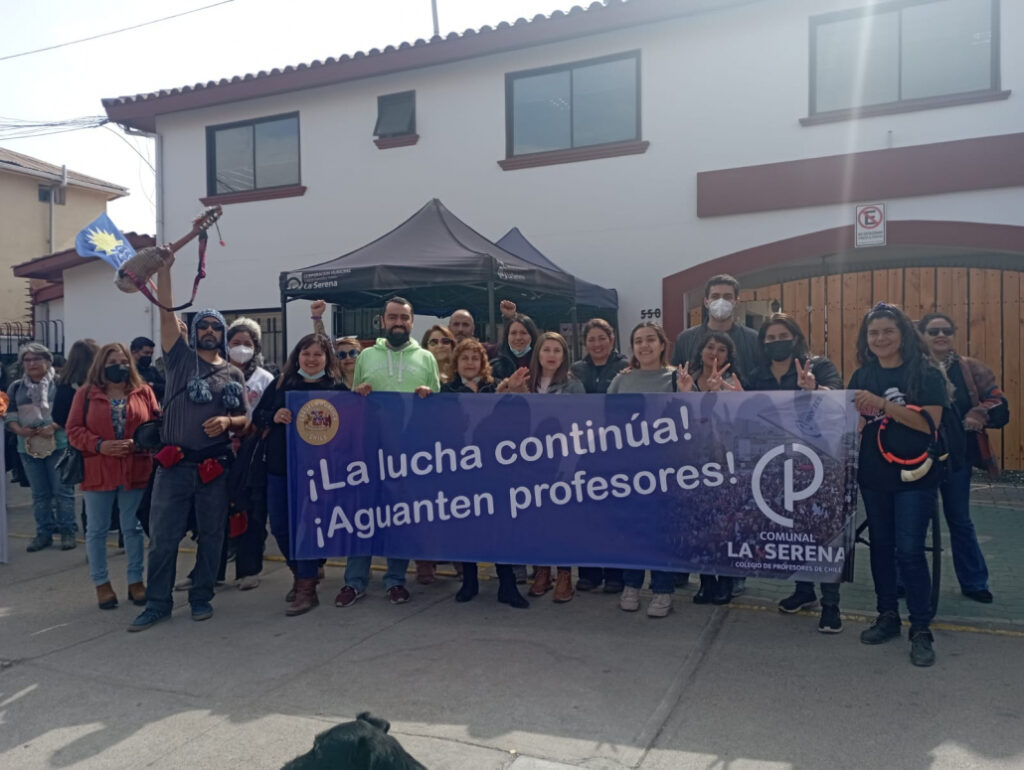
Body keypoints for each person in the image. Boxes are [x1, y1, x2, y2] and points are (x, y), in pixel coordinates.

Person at [128, 247, 248, 632]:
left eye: (216, 326)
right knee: (164, 539)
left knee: (212, 536)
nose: (209, 330)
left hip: (214, 467)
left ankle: (201, 596)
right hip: (174, 467)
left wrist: (228, 420)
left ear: (223, 334)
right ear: (194, 331)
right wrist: (165, 271)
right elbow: (166, 314)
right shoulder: (179, 359)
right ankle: (157, 604)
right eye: (203, 325)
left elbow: (244, 420)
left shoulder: (234, 373)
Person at [849, 302, 948, 667]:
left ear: (903, 334)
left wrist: (882, 405)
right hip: (874, 474)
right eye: (873, 333)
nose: (880, 338)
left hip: (915, 475)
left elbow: (929, 424)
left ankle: (920, 628)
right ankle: (887, 615)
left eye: (888, 331)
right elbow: (852, 421)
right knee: (881, 547)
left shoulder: (926, 372)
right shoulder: (862, 375)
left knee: (909, 550)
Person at [335, 296, 440, 609]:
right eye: (392, 317)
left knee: (399, 519)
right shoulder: (367, 356)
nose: (398, 323)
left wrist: (429, 396)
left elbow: (438, 406)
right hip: (369, 451)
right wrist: (359, 392)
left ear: (412, 322)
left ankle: (395, 580)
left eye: (404, 318)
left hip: (408, 453)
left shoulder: (426, 358)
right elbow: (356, 401)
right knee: (363, 516)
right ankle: (354, 581)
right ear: (382, 321)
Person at [746, 313, 845, 632]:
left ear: (796, 338)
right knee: (792, 529)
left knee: (823, 530)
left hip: (820, 459)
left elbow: (839, 400)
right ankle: (804, 591)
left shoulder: (819, 366)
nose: (777, 342)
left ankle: (831, 604)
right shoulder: (757, 375)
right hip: (776, 463)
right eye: (770, 338)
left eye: (783, 336)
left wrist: (816, 389)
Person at [254, 333, 345, 615]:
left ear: (327, 359)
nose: (312, 359)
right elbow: (257, 416)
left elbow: (351, 425)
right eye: (306, 353)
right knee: (280, 527)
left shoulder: (336, 388)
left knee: (308, 528)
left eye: (318, 354)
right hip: (280, 467)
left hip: (319, 473)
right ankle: (302, 572)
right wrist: (274, 416)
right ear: (297, 356)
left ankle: (306, 588)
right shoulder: (281, 384)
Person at [65, 342, 160, 610]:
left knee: (133, 528)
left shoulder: (144, 391)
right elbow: (73, 429)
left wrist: (139, 443)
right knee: (97, 529)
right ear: (101, 365)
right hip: (99, 469)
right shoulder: (85, 394)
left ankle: (135, 580)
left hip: (135, 467)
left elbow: (156, 425)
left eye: (123, 361)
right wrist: (99, 445)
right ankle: (101, 583)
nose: (119, 366)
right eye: (112, 362)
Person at [607, 322, 688, 617]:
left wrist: (687, 393)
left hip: (666, 469)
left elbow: (692, 420)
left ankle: (663, 590)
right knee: (632, 529)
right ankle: (631, 585)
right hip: (629, 469)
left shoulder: (678, 377)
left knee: (661, 531)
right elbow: (606, 422)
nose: (644, 345)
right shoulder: (622, 380)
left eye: (650, 339)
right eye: (638, 341)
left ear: (662, 344)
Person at [441, 338, 529, 608]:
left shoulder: (495, 389)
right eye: (464, 358)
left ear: (483, 363)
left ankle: (507, 585)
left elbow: (515, 419)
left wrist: (514, 391)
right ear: (456, 363)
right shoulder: (446, 391)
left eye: (475, 358)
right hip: (460, 470)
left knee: (500, 528)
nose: (470, 363)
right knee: (465, 529)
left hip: (494, 470)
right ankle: (469, 582)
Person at [918, 312, 999, 604]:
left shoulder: (972, 369)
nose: (941, 335)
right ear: (922, 336)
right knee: (915, 521)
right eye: (933, 331)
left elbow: (998, 402)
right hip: (918, 457)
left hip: (957, 458)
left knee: (960, 520)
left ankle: (974, 582)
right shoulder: (913, 369)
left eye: (946, 330)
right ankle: (906, 580)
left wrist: (979, 413)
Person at [501, 331, 584, 602]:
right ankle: (542, 570)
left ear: (564, 356)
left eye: (557, 351)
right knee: (535, 520)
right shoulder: (525, 381)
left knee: (561, 520)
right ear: (537, 353)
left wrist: (571, 464)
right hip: (529, 461)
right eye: (546, 349)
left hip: (561, 460)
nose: (551, 355)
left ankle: (564, 574)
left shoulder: (573, 385)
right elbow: (507, 416)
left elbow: (580, 427)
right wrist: (512, 390)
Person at [677, 331, 744, 604]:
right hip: (691, 463)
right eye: (710, 347)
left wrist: (725, 397)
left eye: (721, 349)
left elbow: (740, 420)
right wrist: (685, 395)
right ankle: (705, 581)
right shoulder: (685, 379)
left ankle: (725, 581)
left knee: (724, 525)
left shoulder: (732, 383)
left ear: (729, 356)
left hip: (724, 462)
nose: (714, 352)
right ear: (700, 350)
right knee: (699, 525)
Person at [571, 318, 629, 593]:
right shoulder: (576, 370)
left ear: (612, 338)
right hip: (584, 451)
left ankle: (615, 573)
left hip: (617, 451)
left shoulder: (626, 367)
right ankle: (590, 572)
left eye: (601, 338)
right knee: (587, 515)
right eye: (591, 339)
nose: (597, 344)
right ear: (585, 343)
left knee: (615, 515)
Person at [5, 343, 78, 551]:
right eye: (27, 360)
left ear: (48, 361)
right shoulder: (15, 387)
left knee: (62, 491)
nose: (31, 364)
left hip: (59, 446)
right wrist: (19, 430)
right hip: (28, 448)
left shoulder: (62, 384)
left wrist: (53, 426)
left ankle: (67, 532)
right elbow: (9, 415)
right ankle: (43, 533)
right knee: (40, 494)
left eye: (36, 359)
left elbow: (72, 413)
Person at [222, 316, 276, 591]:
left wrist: (254, 429)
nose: (241, 348)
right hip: (219, 449)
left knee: (251, 511)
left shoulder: (265, 379)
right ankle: (210, 571)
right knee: (216, 512)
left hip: (252, 451)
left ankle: (249, 569)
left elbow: (268, 413)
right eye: (235, 342)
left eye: (247, 343)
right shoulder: (215, 373)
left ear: (256, 347)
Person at [414, 324, 458, 583]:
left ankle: (460, 559)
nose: (440, 345)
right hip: (424, 450)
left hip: (457, 452)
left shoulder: (461, 374)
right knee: (425, 509)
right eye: (433, 341)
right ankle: (424, 561)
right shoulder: (417, 375)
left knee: (456, 509)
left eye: (445, 341)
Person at [671, 274, 759, 382]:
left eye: (727, 297)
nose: (721, 301)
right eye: (715, 296)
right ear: (706, 302)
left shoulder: (753, 340)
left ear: (736, 302)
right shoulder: (685, 339)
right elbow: (675, 380)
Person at [490, 313, 540, 384]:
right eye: (513, 333)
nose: (518, 337)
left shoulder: (541, 364)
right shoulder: (495, 367)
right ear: (507, 337)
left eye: (523, 333)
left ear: (532, 336)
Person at [131, 336, 166, 402]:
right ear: (134, 353)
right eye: (146, 353)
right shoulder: (128, 372)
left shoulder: (153, 371)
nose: (149, 356)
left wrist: (152, 385)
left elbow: (166, 388)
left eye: (151, 353)